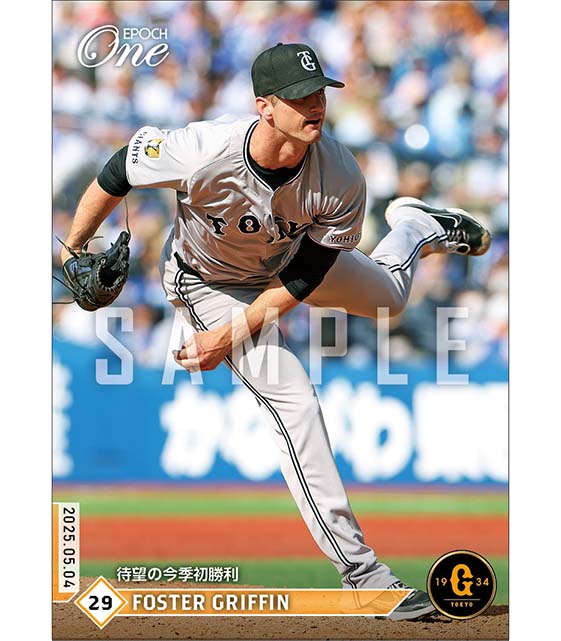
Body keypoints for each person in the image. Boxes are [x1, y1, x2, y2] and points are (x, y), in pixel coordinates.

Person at [60, 43, 490, 621]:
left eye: (319, 93)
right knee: (295, 403)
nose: (315, 105)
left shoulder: (340, 174)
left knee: (390, 297)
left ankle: (413, 226)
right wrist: (72, 248)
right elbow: (119, 170)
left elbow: (306, 277)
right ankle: (365, 577)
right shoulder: (204, 148)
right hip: (208, 281)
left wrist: (226, 337)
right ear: (264, 105)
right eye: (299, 96)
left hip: (286, 269)